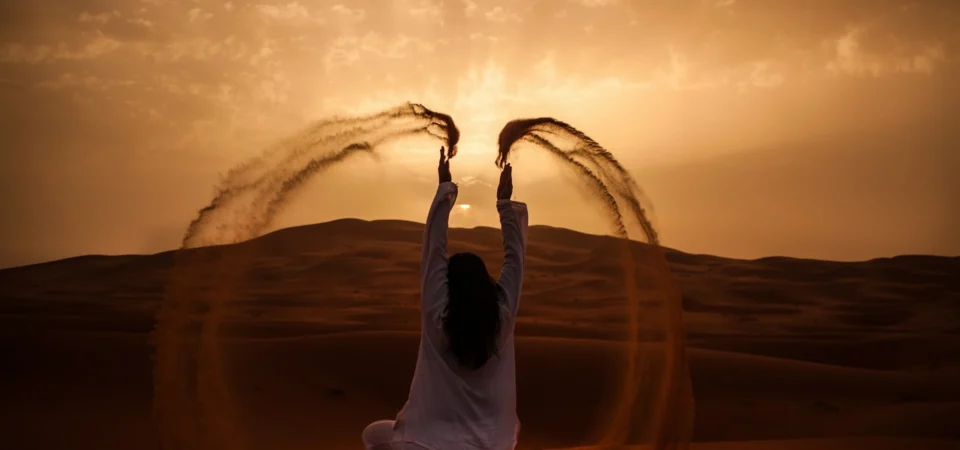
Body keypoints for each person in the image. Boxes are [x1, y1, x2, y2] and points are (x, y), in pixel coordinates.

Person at [362, 147, 528, 450]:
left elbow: (434, 253)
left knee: (374, 436)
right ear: (485, 285)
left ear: (449, 286)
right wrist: (505, 203)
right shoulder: (501, 321)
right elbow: (515, 260)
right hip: (492, 442)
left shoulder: (438, 318)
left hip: (430, 442)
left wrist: (445, 189)